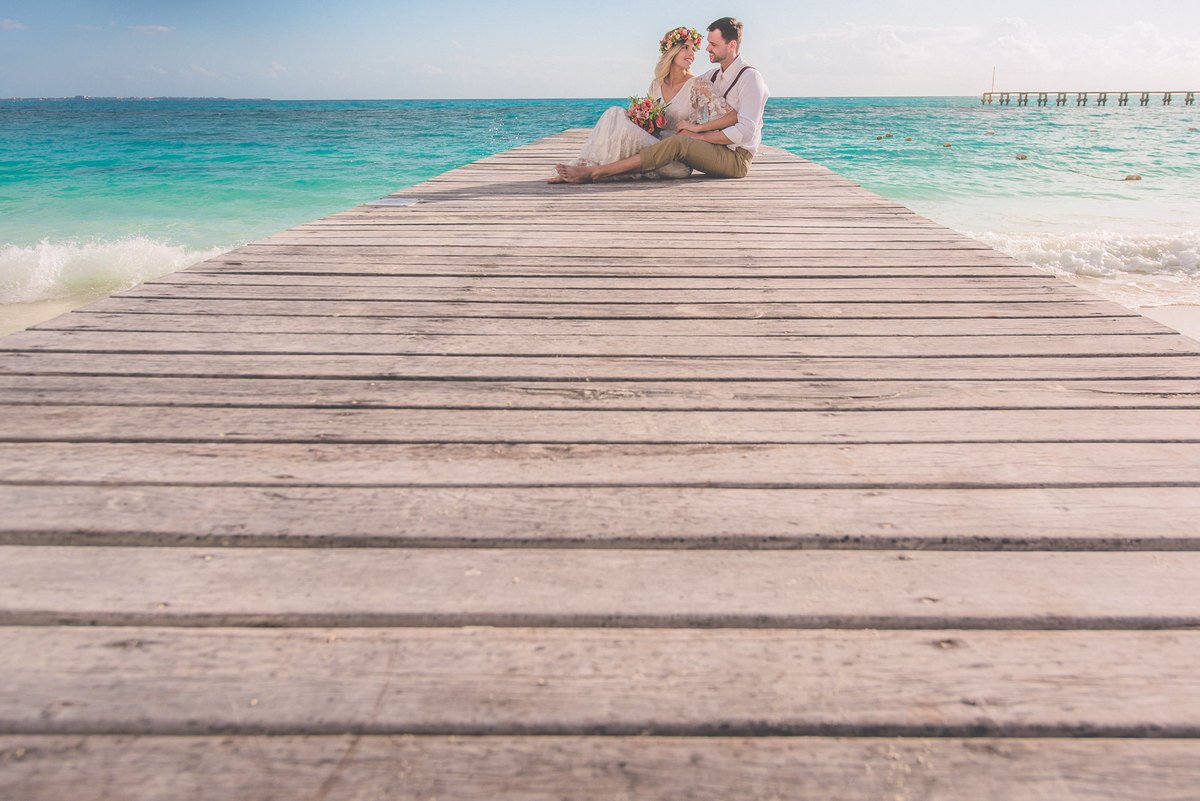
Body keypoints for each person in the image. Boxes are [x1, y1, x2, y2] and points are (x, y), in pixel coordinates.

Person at [554, 17, 769, 184]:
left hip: (736, 158)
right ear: (671, 51)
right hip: (693, 147)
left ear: (731, 45)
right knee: (615, 113)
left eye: (712, 44)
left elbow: (744, 130)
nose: (704, 50)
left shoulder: (751, 78)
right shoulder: (711, 76)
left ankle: (595, 172)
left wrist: (699, 133)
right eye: (691, 47)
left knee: (676, 142)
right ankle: (580, 165)